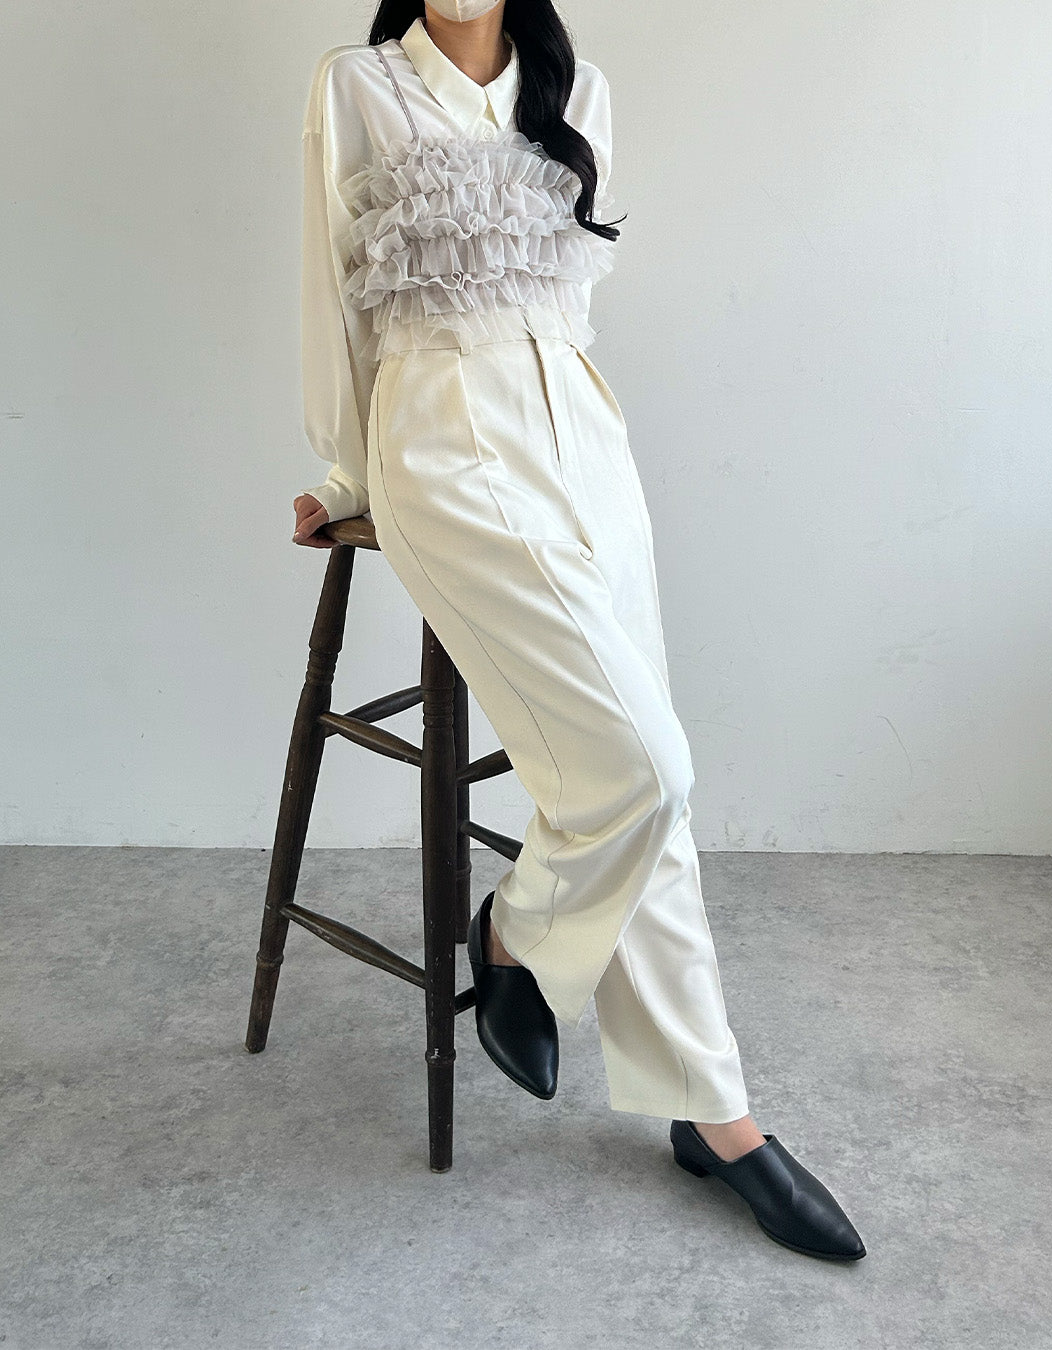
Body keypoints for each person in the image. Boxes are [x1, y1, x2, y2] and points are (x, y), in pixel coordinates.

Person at [291, 0, 865, 1261]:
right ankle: (515, 935)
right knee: (644, 768)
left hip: (587, 440)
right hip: (443, 444)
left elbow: (566, 299)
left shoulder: (578, 91)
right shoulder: (358, 84)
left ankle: (714, 1113)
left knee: (649, 779)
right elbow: (330, 294)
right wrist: (344, 477)